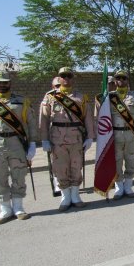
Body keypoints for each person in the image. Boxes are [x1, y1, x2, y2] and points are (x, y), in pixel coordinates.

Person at [40, 67, 95, 211]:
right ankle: (65, 197)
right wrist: (44, 139)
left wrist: (90, 137)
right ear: (59, 78)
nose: (66, 78)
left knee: (76, 167)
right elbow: (44, 119)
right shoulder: (50, 96)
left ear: (73, 78)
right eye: (63, 76)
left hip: (76, 137)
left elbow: (88, 118)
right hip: (57, 139)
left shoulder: (81, 97)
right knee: (60, 168)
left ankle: (76, 196)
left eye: (69, 76)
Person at [0, 71, 38, 224]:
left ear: (10, 82)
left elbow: (31, 123)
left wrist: (33, 143)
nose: (2, 85)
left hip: (16, 143)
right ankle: (5, 210)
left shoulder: (22, 101)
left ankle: (18, 208)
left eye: (5, 82)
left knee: (19, 175)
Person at [95, 70, 134, 199]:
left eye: (124, 78)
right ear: (115, 81)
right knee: (116, 162)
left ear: (127, 80)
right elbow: (102, 119)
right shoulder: (108, 97)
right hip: (115, 135)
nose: (121, 80)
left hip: (131, 135)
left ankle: (128, 186)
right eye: (118, 78)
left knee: (131, 160)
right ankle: (119, 187)